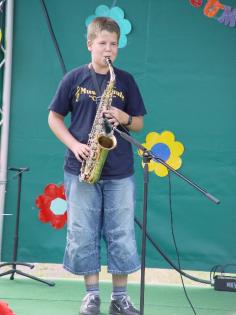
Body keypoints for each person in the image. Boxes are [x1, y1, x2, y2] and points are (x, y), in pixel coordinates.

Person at [48, 17, 146, 315]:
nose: (108, 49)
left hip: (119, 170)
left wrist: (124, 117)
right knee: (83, 232)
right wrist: (75, 145)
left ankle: (120, 297)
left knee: (122, 233)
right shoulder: (74, 78)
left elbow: (139, 123)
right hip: (82, 167)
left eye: (113, 44)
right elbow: (54, 118)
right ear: (90, 44)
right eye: (102, 43)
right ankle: (91, 296)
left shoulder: (125, 80)